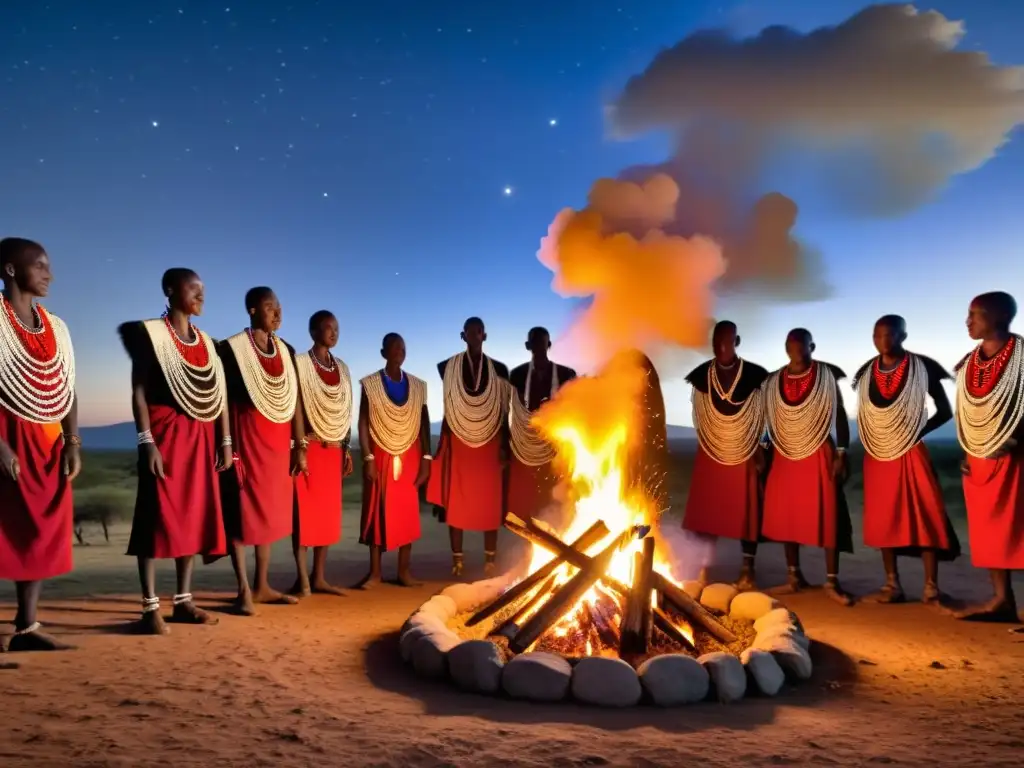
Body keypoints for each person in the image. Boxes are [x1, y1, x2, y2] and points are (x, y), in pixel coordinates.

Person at [119, 268, 233, 635]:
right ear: (171, 290)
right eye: (194, 288)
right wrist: (146, 440)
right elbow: (138, 390)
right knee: (155, 516)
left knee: (194, 516)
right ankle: (149, 607)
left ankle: (183, 601)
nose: (201, 295)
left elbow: (220, 397)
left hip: (200, 437)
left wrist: (225, 441)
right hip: (165, 437)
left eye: (204, 289)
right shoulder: (150, 334)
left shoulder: (207, 343)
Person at [0, 237, 80, 652]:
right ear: (12, 270)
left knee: (38, 533)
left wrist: (73, 441)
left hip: (46, 440)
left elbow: (67, 386)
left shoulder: (57, 326)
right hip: (5, 436)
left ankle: (25, 627)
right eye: (41, 266)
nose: (49, 274)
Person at [853, 315, 960, 605]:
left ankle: (931, 587)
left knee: (925, 512)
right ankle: (892, 585)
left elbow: (945, 411)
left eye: (888, 334)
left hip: (911, 451)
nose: (882, 341)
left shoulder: (921, 366)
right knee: (883, 516)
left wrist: (916, 431)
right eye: (877, 335)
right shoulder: (867, 372)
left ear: (902, 336)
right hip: (879, 454)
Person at [215, 286, 306, 615]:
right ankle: (243, 591)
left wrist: (300, 446)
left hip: (277, 443)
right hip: (245, 439)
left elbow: (295, 399)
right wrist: (226, 442)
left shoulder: (286, 350)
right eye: (270, 307)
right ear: (252, 310)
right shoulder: (231, 350)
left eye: (279, 307)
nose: (278, 313)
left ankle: (262, 585)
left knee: (268, 513)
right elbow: (221, 399)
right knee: (242, 511)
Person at [761, 328, 854, 606]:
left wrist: (841, 452)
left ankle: (832, 581)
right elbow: (769, 418)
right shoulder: (775, 379)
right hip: (785, 453)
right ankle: (794, 577)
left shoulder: (825, 375)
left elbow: (838, 413)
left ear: (812, 346)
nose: (797, 349)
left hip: (818, 450)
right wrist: (763, 449)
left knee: (828, 514)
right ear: (786, 347)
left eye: (802, 345)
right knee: (788, 515)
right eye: (792, 344)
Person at [682, 321, 769, 590]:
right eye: (716, 341)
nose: (721, 346)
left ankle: (748, 570)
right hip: (712, 449)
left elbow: (766, 414)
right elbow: (700, 412)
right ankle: (705, 567)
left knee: (747, 509)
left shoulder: (755, 375)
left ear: (737, 341)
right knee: (709, 510)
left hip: (746, 448)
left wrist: (760, 447)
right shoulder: (701, 375)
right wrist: (716, 436)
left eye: (727, 341)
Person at [953, 291, 1023, 621]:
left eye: (975, 315)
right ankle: (1002, 600)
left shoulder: (1021, 356)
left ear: (996, 318)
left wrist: (1010, 439)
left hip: (1017, 454)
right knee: (988, 528)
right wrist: (968, 450)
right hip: (982, 458)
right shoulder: (970, 362)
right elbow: (966, 409)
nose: (968, 321)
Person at [427, 317, 510, 577]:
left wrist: (504, 444)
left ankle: (490, 559)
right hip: (459, 441)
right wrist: (446, 445)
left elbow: (503, 409)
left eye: (479, 331)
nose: (474, 335)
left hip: (489, 442)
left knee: (489, 502)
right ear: (463, 336)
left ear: (484, 335)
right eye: (470, 332)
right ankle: (458, 560)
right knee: (457, 501)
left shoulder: (499, 369)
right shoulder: (449, 366)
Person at [357, 332, 431, 586]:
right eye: (394, 347)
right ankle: (375, 573)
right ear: (383, 353)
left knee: (407, 512)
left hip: (410, 454)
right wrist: (367, 457)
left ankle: (403, 572)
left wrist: (426, 459)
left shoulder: (419, 387)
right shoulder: (371, 384)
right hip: (380, 452)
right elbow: (364, 421)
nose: (399, 351)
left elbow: (423, 423)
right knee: (377, 508)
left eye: (403, 347)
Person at [291, 310, 353, 597]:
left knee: (327, 517)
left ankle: (319, 577)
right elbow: (296, 405)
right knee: (304, 516)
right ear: (313, 332)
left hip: (333, 449)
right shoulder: (300, 363)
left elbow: (345, 408)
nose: (334, 333)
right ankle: (302, 578)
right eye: (328, 328)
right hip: (310, 446)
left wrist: (346, 446)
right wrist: (300, 446)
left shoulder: (342, 367)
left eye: (337, 328)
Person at [506, 327, 576, 523]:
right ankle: (535, 533)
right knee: (531, 494)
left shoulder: (567, 374)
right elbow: (511, 407)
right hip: (527, 444)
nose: (538, 347)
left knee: (559, 489)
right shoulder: (517, 375)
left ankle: (562, 527)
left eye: (542, 342)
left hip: (558, 443)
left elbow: (575, 407)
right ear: (528, 346)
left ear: (549, 344)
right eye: (534, 343)